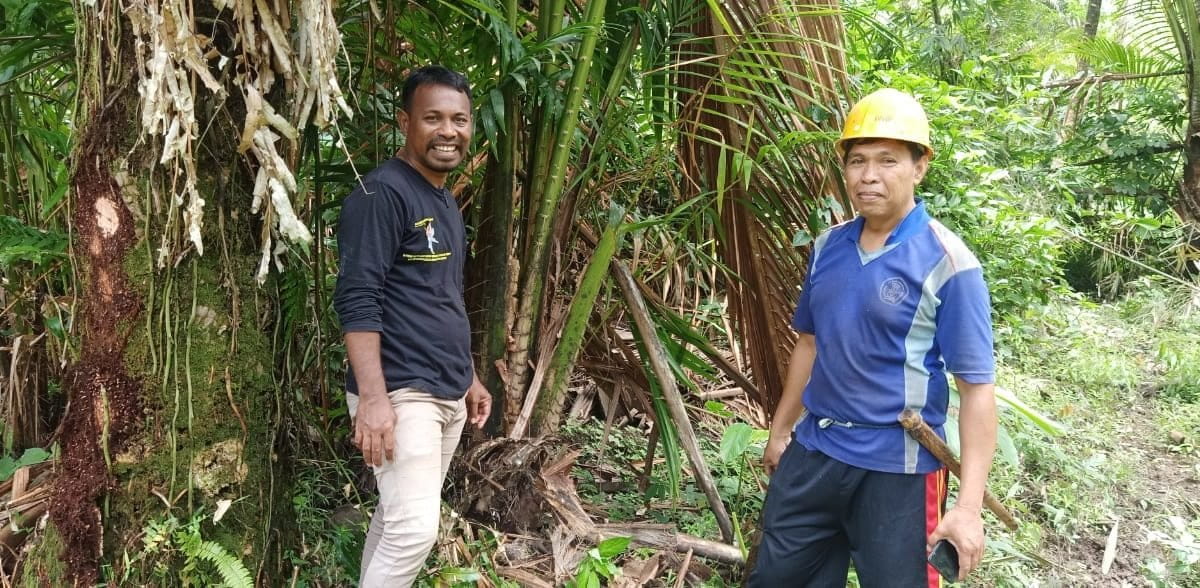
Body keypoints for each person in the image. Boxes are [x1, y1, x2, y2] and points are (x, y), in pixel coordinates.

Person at [747, 88, 998, 587]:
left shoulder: (948, 263)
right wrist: (781, 432)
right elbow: (809, 345)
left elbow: (977, 389)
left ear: (919, 166)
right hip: (815, 451)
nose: (869, 175)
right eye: (857, 160)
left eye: (888, 160)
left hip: (897, 468)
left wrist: (968, 508)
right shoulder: (827, 247)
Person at [333, 65, 493, 587]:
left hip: (443, 387)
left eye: (459, 119)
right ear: (405, 122)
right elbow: (358, 299)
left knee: (395, 521)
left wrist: (466, 375)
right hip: (402, 393)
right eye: (433, 118)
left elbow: (439, 296)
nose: (449, 131)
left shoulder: (442, 197)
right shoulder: (381, 194)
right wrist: (375, 398)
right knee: (414, 531)